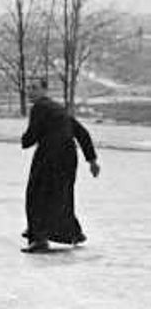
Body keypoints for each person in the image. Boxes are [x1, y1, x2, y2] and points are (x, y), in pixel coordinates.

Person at [20, 78, 100, 253]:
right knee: (61, 194)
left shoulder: (39, 107)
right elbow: (82, 133)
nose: (30, 91)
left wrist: (24, 140)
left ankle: (39, 238)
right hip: (68, 157)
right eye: (28, 88)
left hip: (50, 155)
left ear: (44, 90)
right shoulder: (58, 109)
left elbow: (31, 136)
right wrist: (92, 160)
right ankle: (73, 233)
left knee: (37, 195)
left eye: (34, 88)